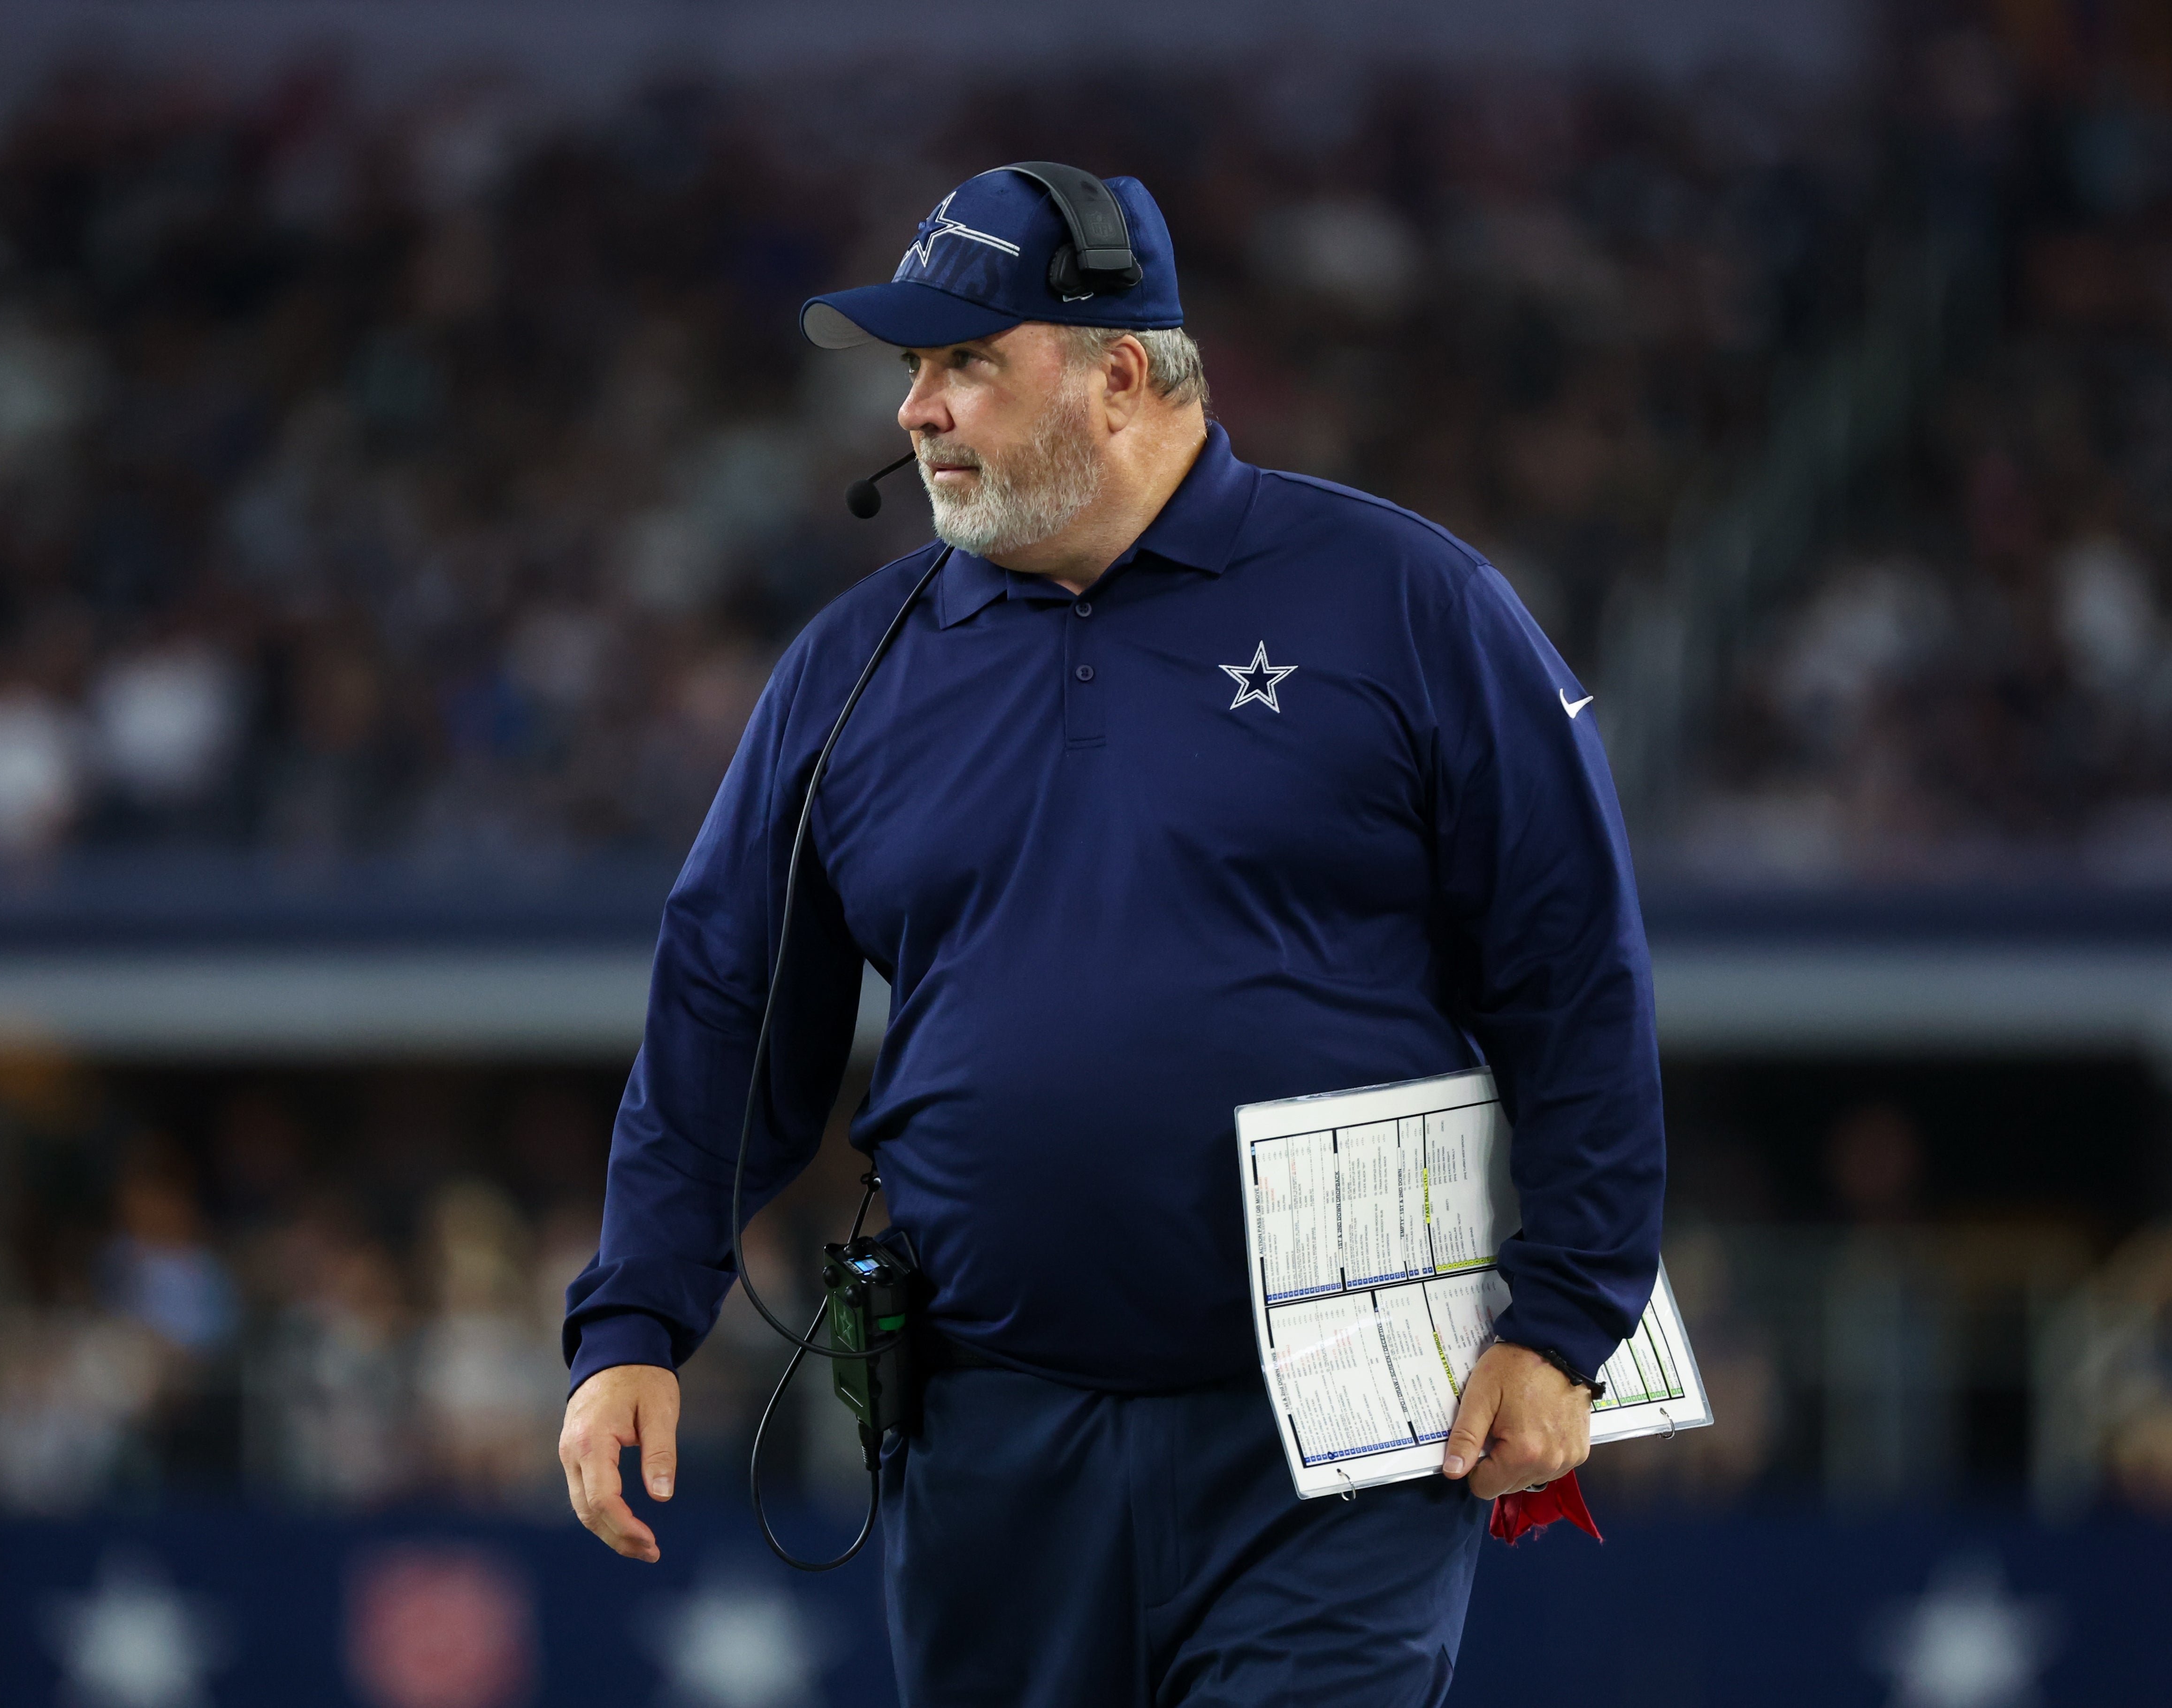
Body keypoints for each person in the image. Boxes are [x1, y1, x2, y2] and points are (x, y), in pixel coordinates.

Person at [557, 164, 1666, 1707]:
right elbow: (722, 1016)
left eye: (964, 364)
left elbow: (1574, 978)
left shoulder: (1408, 606)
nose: (915, 412)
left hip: (1344, 1422)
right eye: (912, 371)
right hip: (989, 1434)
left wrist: (1564, 1319)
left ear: (1119, 376)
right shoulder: (850, 670)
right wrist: (632, 1318)